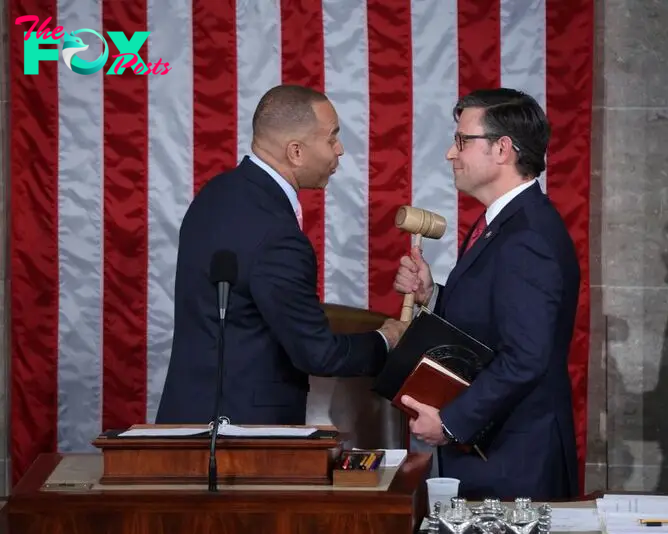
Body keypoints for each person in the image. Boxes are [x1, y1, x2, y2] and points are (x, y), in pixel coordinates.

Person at [157, 84, 407, 426]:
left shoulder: (216, 193)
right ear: (296, 152)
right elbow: (317, 354)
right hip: (242, 439)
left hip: (188, 416)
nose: (340, 149)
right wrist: (387, 340)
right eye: (332, 137)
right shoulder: (277, 234)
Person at [393, 88, 580, 500]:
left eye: (462, 141)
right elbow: (493, 322)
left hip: (515, 464)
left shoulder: (527, 235)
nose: (449, 153)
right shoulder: (503, 223)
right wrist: (433, 295)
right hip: (493, 458)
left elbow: (527, 356)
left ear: (502, 149)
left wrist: (450, 422)